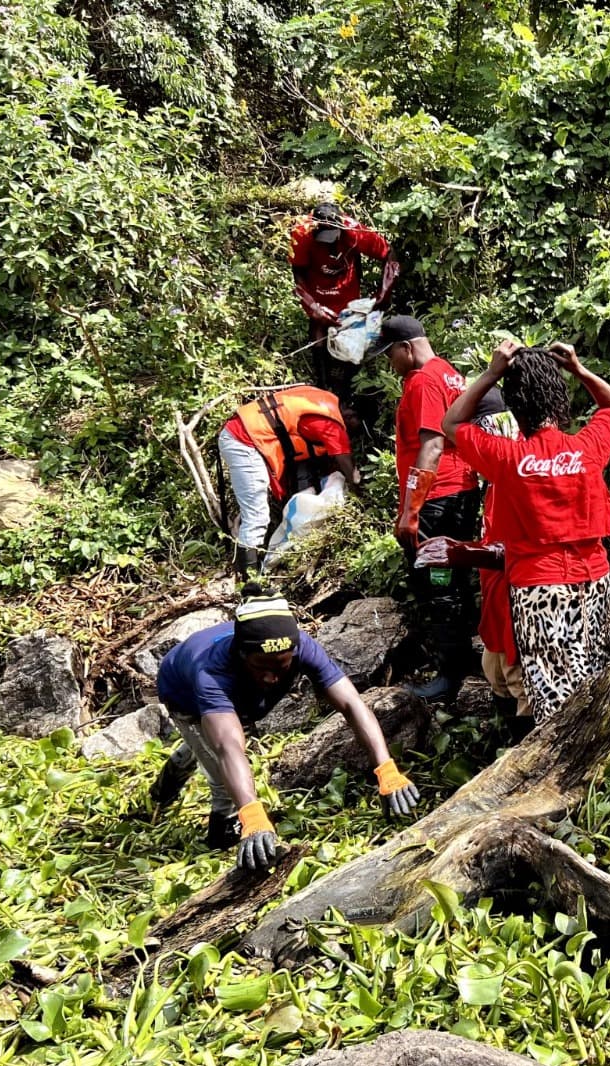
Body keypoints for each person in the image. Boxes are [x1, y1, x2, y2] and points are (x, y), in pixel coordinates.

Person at [149, 591, 421, 870]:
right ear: (242, 654)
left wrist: (386, 770)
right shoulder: (211, 674)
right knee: (220, 771)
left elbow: (352, 704)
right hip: (184, 696)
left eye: (282, 666)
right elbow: (227, 747)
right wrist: (252, 816)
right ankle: (220, 841)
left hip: (237, 697)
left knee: (205, 743)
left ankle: (175, 771)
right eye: (262, 667)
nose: (272, 677)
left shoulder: (302, 646)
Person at [442, 340, 610, 720]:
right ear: (559, 399)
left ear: (514, 406)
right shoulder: (587, 448)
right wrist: (578, 368)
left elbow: (451, 423)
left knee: (553, 695)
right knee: (593, 678)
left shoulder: (507, 457)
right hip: (594, 581)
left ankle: (564, 769)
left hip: (538, 588)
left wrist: (492, 372)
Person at [418, 392, 534, 742]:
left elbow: (518, 548)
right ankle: (502, 741)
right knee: (494, 669)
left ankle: (525, 753)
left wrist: (461, 553)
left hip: (516, 595)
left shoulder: (517, 474)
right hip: (496, 596)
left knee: (516, 677)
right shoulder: (495, 482)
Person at [381, 316, 482, 702]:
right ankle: (465, 662)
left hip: (438, 499)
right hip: (457, 492)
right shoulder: (448, 374)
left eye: (390, 353)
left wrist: (411, 510)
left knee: (436, 583)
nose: (390, 362)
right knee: (451, 580)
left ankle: (450, 677)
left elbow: (432, 445)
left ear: (406, 347)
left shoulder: (423, 380)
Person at [217, 385, 358, 578]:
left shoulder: (325, 402)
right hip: (242, 440)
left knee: (256, 516)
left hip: (242, 434)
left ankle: (250, 575)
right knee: (256, 516)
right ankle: (249, 584)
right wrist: (359, 492)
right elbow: (345, 461)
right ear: (350, 416)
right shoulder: (330, 422)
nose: (352, 433)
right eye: (356, 426)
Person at [289, 201, 400, 431]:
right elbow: (297, 273)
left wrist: (384, 291)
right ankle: (322, 384)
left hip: (347, 288)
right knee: (318, 329)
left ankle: (345, 386)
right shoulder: (301, 232)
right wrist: (313, 305)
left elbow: (389, 253)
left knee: (352, 335)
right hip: (318, 288)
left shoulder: (356, 232)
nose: (329, 243)